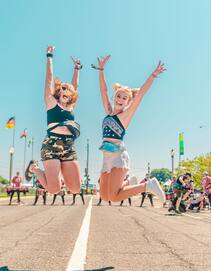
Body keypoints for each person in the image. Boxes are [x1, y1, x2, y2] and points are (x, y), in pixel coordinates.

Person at [94, 55, 166, 204]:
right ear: (114, 98)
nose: (120, 99)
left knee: (114, 198)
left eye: (124, 98)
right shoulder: (108, 112)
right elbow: (103, 91)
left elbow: (140, 95)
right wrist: (101, 70)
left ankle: (148, 185)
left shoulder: (125, 116)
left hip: (118, 156)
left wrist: (153, 75)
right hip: (106, 157)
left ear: (128, 102)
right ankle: (129, 182)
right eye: (118, 96)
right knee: (105, 196)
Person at [26, 46, 82, 199]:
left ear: (71, 96)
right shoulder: (51, 102)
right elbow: (49, 77)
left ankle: (60, 171)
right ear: (59, 91)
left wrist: (77, 69)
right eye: (63, 89)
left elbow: (75, 86)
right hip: (51, 144)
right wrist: (49, 55)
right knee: (54, 189)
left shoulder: (70, 107)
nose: (66, 91)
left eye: (68, 91)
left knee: (76, 188)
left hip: (69, 145)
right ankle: (34, 169)